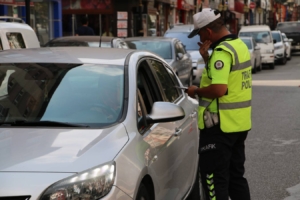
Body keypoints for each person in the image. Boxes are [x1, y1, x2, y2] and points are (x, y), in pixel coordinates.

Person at [186, 8, 252, 200]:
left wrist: (195, 91)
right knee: (236, 178)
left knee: (214, 180)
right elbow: (229, 80)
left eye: (199, 33)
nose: (200, 37)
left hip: (219, 126)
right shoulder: (238, 46)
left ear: (207, 31)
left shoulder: (222, 52)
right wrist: (207, 58)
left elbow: (218, 90)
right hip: (238, 124)